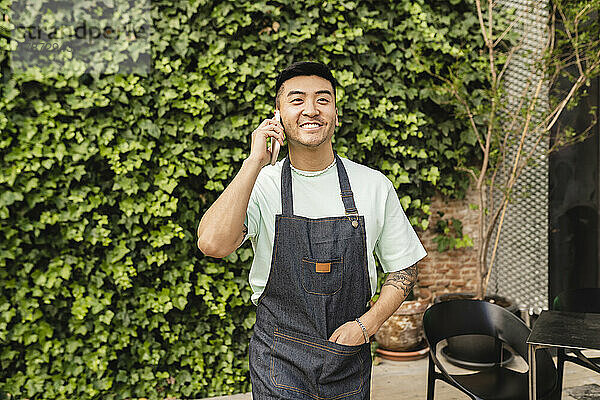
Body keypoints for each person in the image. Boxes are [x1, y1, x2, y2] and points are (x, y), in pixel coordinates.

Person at [197, 61, 427, 399]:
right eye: (296, 100)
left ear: (336, 114)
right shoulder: (261, 185)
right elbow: (212, 244)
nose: (311, 109)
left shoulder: (373, 186)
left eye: (323, 99)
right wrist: (254, 162)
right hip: (279, 359)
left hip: (347, 357)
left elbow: (404, 265)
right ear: (277, 115)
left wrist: (368, 325)